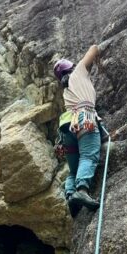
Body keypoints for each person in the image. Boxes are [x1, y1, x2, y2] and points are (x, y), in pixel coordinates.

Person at [54, 44, 103, 216]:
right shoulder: (79, 72)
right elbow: (94, 48)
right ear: (72, 67)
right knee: (89, 155)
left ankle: (70, 196)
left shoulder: (66, 90)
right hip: (84, 119)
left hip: (67, 128)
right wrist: (99, 62)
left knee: (73, 170)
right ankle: (81, 190)